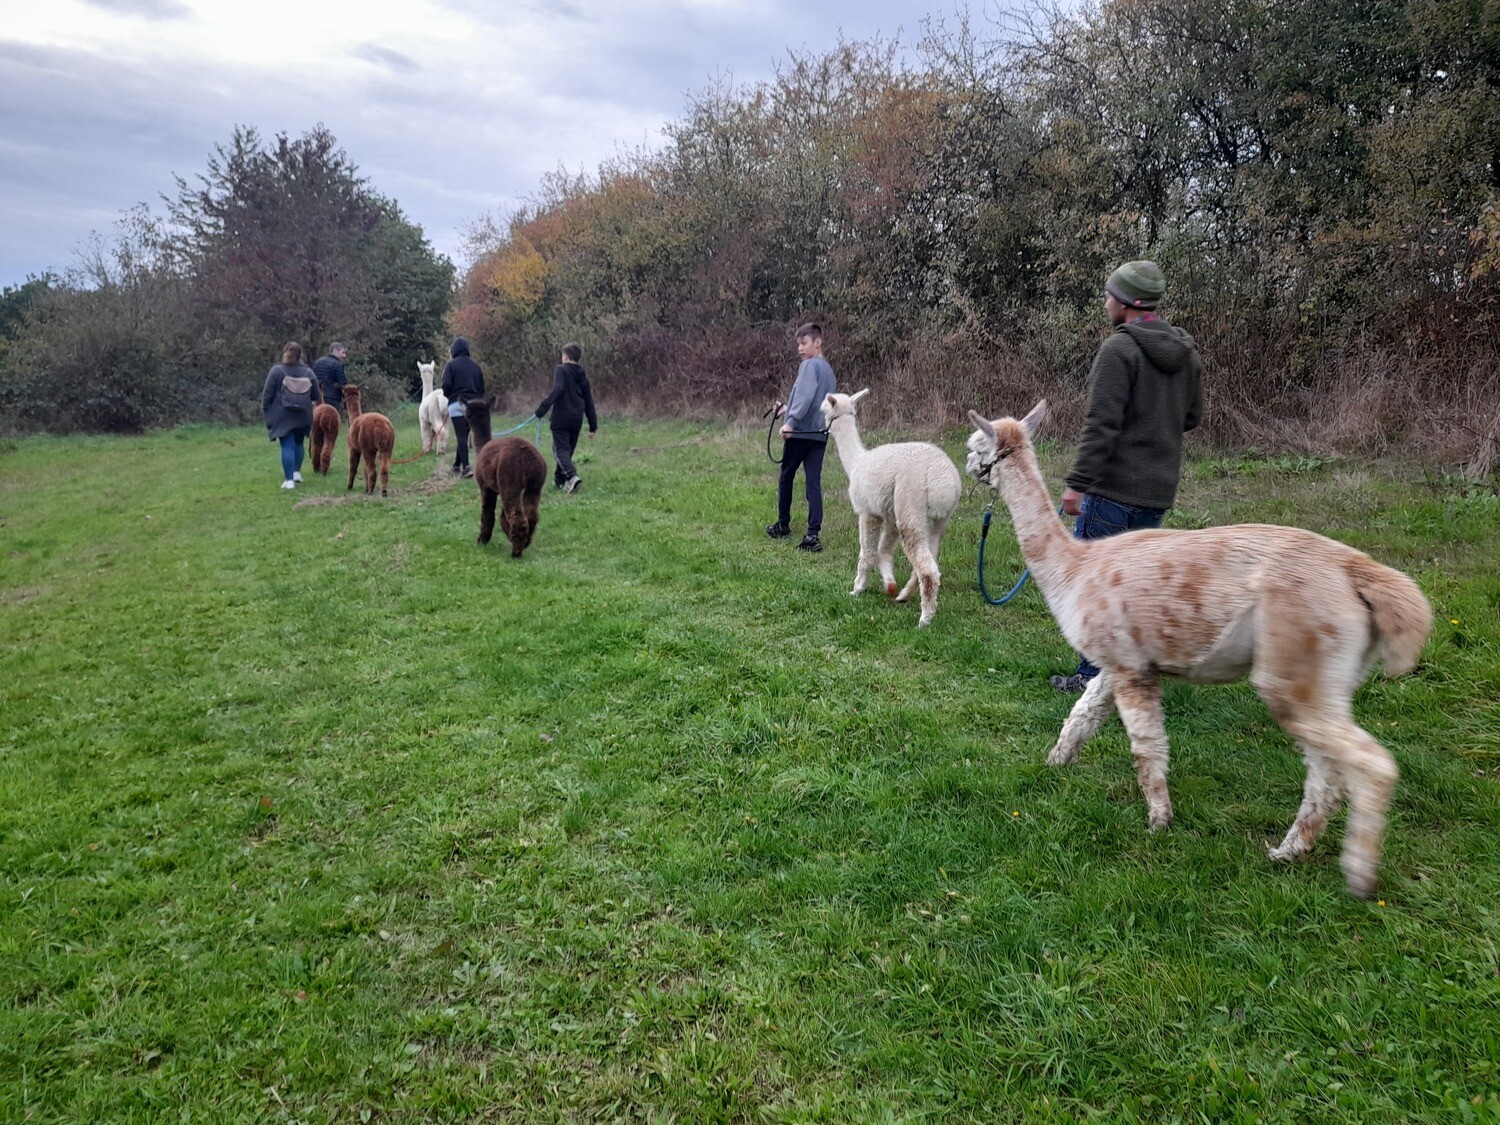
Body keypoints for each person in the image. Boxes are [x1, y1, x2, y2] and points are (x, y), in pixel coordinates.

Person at [1050, 260, 1204, 692]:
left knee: (1095, 584)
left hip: (1113, 490)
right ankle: (1130, 671)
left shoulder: (1118, 351)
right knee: (1134, 586)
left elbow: (1101, 425)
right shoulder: (1186, 352)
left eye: (1108, 295)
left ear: (1127, 302)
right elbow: (1191, 416)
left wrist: (1077, 484)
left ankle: (1089, 678)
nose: (1105, 302)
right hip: (1157, 491)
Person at [766, 322, 837, 552]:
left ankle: (783, 525)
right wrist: (787, 408)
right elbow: (815, 401)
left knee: (786, 475)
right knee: (813, 483)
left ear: (818, 342)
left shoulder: (809, 365)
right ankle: (812, 535)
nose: (800, 348)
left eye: (804, 343)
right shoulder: (828, 371)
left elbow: (805, 398)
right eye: (798, 343)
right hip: (819, 434)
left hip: (800, 434)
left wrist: (790, 423)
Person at [534, 343, 598, 493]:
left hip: (561, 417)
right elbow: (589, 400)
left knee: (560, 450)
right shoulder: (582, 374)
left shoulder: (561, 370)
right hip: (576, 418)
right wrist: (592, 425)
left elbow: (558, 388)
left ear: (565, 357)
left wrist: (542, 409)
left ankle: (572, 477)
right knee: (566, 452)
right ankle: (559, 481)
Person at [261, 341, 323, 490]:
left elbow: (267, 395)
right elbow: (316, 395)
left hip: (283, 415)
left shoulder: (276, 371)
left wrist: (267, 411)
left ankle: (289, 481)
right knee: (298, 443)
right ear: (300, 355)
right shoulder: (308, 372)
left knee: (287, 445)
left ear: (285, 353)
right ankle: (296, 473)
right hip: (303, 414)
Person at [440, 336, 486, 478]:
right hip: (474, 405)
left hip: (457, 404)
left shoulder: (451, 365)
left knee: (461, 436)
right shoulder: (476, 367)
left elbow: (446, 385)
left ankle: (466, 467)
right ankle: (456, 465)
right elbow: (482, 388)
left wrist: (449, 396)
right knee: (465, 435)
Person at [313, 341, 348, 413]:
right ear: (335, 350)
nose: (344, 356)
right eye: (342, 352)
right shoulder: (338, 365)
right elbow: (343, 384)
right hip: (333, 398)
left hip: (318, 397)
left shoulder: (318, 362)